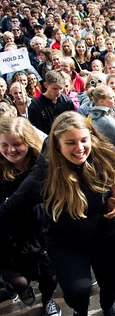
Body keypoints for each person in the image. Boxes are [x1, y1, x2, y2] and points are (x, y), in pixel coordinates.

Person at [0, 112, 115, 315]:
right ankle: (79, 311)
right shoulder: (44, 174)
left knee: (111, 284)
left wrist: (114, 197)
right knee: (78, 291)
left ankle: (108, 306)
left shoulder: (101, 157)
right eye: (70, 142)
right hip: (66, 243)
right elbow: (9, 209)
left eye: (84, 140)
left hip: (104, 235)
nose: (80, 148)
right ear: (57, 144)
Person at [0, 117, 60, 316]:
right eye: (4, 145)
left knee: (49, 276)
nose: (11, 150)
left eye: (17, 144)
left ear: (28, 141)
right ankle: (20, 288)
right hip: (10, 234)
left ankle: (48, 300)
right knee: (18, 279)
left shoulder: (43, 165)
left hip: (41, 231)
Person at [88, 85, 115, 155]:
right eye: (111, 98)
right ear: (101, 102)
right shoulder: (106, 121)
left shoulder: (91, 115)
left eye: (114, 96)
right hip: (114, 160)